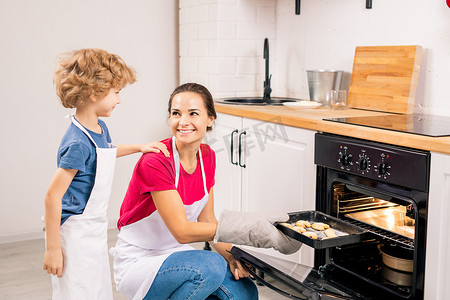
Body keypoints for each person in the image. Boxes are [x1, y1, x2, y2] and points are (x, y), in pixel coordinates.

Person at [112, 82, 301, 300]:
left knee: (245, 293)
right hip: (139, 261)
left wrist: (232, 255)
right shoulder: (156, 161)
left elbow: (208, 219)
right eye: (176, 113)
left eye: (193, 113)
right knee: (210, 266)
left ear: (210, 118)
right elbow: (182, 232)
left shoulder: (207, 156)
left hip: (175, 256)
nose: (183, 122)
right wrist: (250, 229)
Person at [43, 48, 169, 300]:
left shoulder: (99, 128)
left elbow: (105, 153)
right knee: (78, 292)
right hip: (75, 233)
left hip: (95, 230)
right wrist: (53, 249)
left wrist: (139, 147)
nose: (119, 100)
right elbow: (52, 197)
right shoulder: (77, 142)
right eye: (116, 92)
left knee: (97, 289)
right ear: (93, 92)